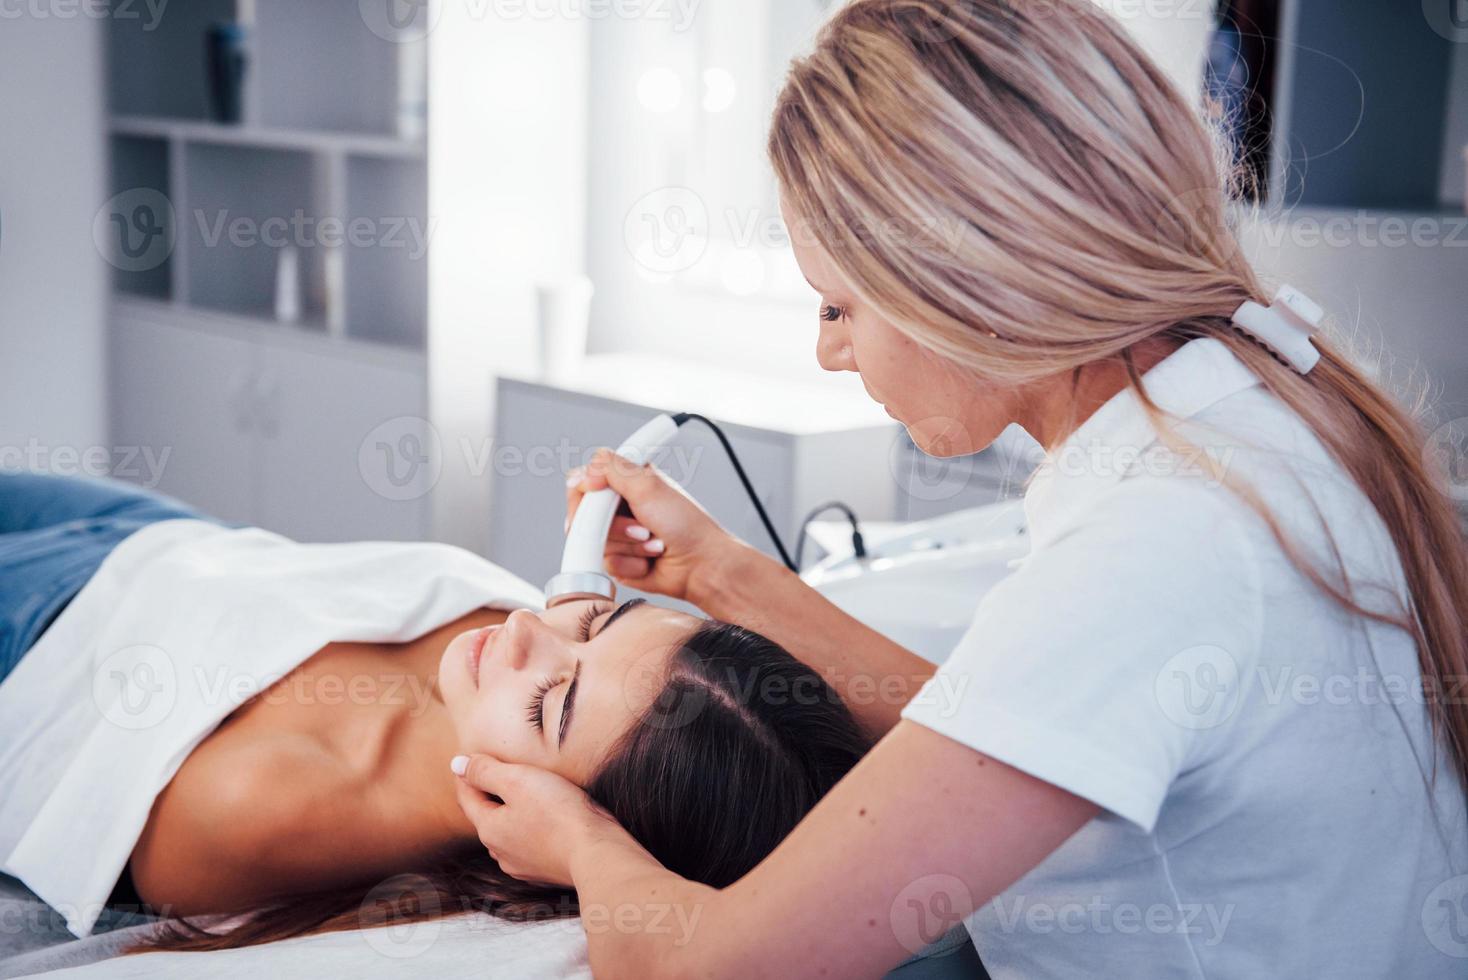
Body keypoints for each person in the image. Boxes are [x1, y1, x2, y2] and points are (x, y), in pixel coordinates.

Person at [449, 1, 1468, 976]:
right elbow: (1006, 726)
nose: (828, 351)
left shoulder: (1155, 550)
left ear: (958, 279)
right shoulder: (1243, 407)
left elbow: (718, 961)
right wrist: (722, 574)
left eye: (838, 306)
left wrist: (576, 835)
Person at [0, 471, 868, 953]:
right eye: (602, 619)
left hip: (37, 635)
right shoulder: (523, 665)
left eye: (552, 703)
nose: (527, 628)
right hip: (157, 533)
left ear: (551, 822)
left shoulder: (268, 807)